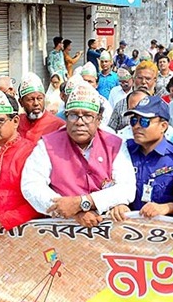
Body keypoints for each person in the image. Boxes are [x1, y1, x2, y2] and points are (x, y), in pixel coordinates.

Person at [22, 82, 135, 227]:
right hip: (62, 229)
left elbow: (126, 188)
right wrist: (70, 210)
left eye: (88, 116)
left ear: (99, 119)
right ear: (66, 116)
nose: (79, 122)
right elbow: (31, 185)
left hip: (105, 229)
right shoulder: (47, 144)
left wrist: (82, 203)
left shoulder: (114, 143)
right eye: (73, 115)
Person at [0, 88, 43, 238]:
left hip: (27, 237)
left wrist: (0, 221)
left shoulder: (33, 153)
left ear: (16, 121)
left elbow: (41, 203)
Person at [110, 96, 173, 221]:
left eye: (144, 122)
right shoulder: (123, 152)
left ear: (163, 126)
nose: (136, 126)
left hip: (165, 233)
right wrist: (117, 203)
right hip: (127, 230)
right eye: (133, 121)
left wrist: (166, 208)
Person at [108, 60, 159, 132]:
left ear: (155, 80)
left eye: (148, 79)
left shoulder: (160, 106)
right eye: (140, 78)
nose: (143, 82)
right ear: (134, 79)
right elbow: (110, 132)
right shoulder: (121, 105)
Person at [16, 72, 65, 144]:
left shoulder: (58, 125)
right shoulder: (16, 123)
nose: (36, 103)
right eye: (30, 99)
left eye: (39, 99)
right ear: (21, 102)